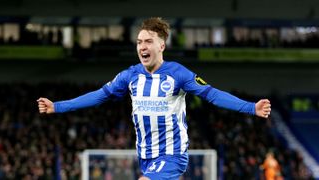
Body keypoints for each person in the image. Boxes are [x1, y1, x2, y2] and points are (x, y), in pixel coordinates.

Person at [37, 17, 271, 180]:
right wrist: (57, 106)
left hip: (172, 155)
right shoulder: (130, 75)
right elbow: (99, 96)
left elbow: (212, 94)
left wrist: (251, 108)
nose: (142, 46)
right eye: (139, 42)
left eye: (148, 41)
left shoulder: (178, 74)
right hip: (145, 156)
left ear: (161, 45)